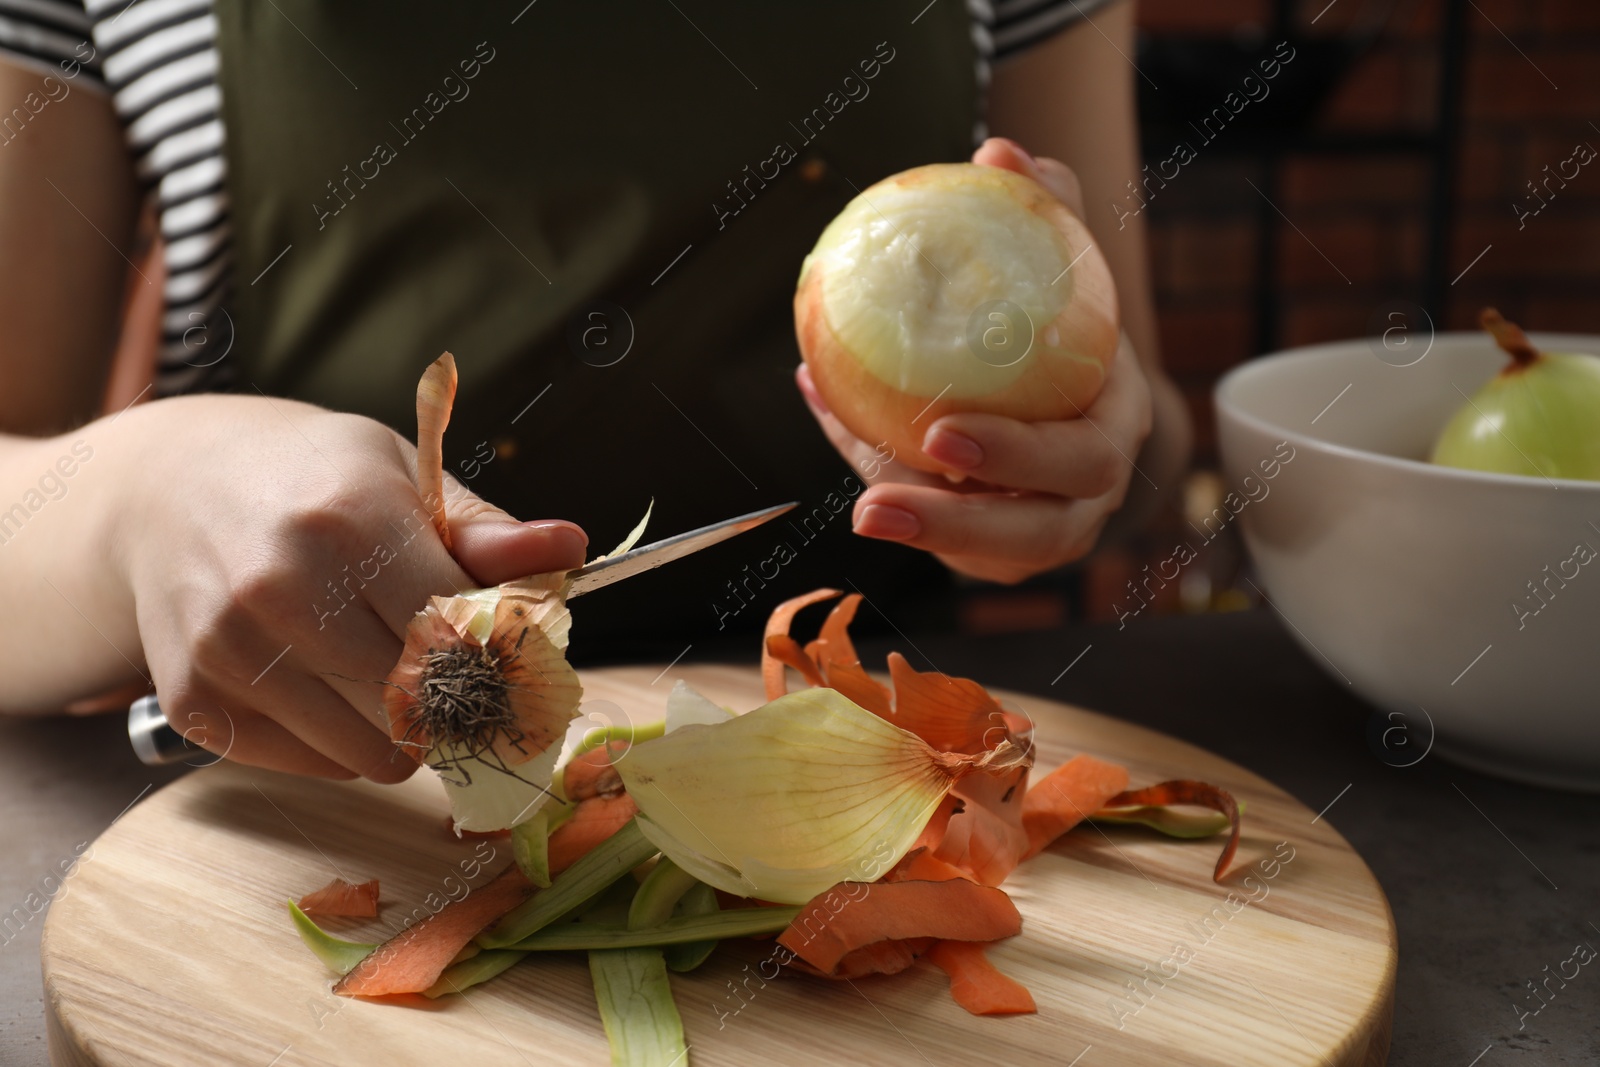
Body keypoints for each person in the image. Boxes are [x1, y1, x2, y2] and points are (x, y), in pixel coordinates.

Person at [0, 0, 1187, 781]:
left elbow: (1147, 458)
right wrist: (145, 498)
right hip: (328, 801)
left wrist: (1085, 461)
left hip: (861, 775)